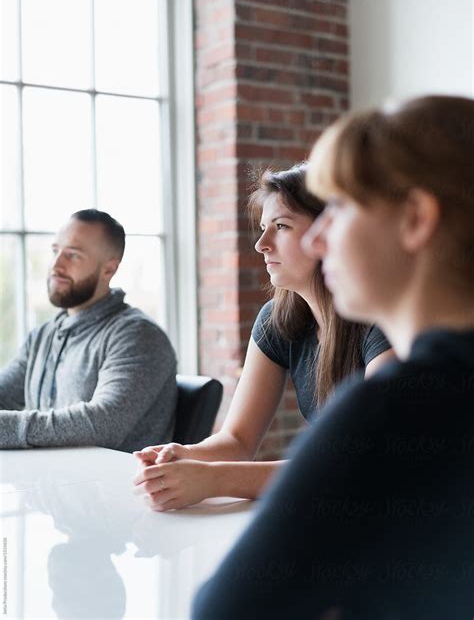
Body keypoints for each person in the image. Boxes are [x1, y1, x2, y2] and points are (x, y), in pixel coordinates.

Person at [192, 95, 474, 620]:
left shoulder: (396, 410)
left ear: (416, 219)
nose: (319, 240)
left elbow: (226, 611)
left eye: (340, 208)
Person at [133, 164, 392, 510]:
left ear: (330, 231)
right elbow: (238, 439)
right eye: (262, 228)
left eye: (281, 226)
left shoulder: (382, 322)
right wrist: (184, 455)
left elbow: (362, 464)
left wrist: (213, 479)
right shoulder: (277, 320)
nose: (261, 244)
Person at [0, 209, 177, 452]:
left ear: (108, 270)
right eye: (55, 251)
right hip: (50, 483)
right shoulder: (43, 335)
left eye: (72, 255)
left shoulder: (138, 336)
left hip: (110, 487)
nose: (56, 265)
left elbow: (103, 425)